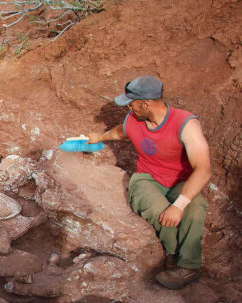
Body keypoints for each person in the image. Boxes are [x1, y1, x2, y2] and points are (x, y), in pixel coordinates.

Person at [87, 76, 211, 289]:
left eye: (131, 104)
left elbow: (204, 170)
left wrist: (179, 206)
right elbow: (121, 132)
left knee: (195, 207)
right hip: (148, 178)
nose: (129, 108)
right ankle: (173, 255)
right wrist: (99, 137)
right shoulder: (134, 121)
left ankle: (189, 267)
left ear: (145, 104)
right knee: (157, 209)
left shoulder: (186, 123)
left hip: (181, 180)